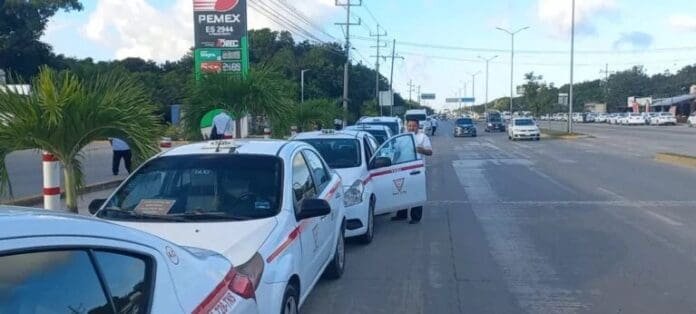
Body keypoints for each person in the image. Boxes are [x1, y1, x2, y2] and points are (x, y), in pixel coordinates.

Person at [391, 118, 432, 224]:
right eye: (409, 126)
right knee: (401, 192)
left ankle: (415, 217)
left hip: (416, 170)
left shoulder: (423, 137)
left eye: (413, 126)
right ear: (406, 126)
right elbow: (396, 152)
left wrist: (421, 150)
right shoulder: (402, 137)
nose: (411, 128)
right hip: (402, 169)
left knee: (416, 193)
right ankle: (401, 214)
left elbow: (430, 152)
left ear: (418, 126)